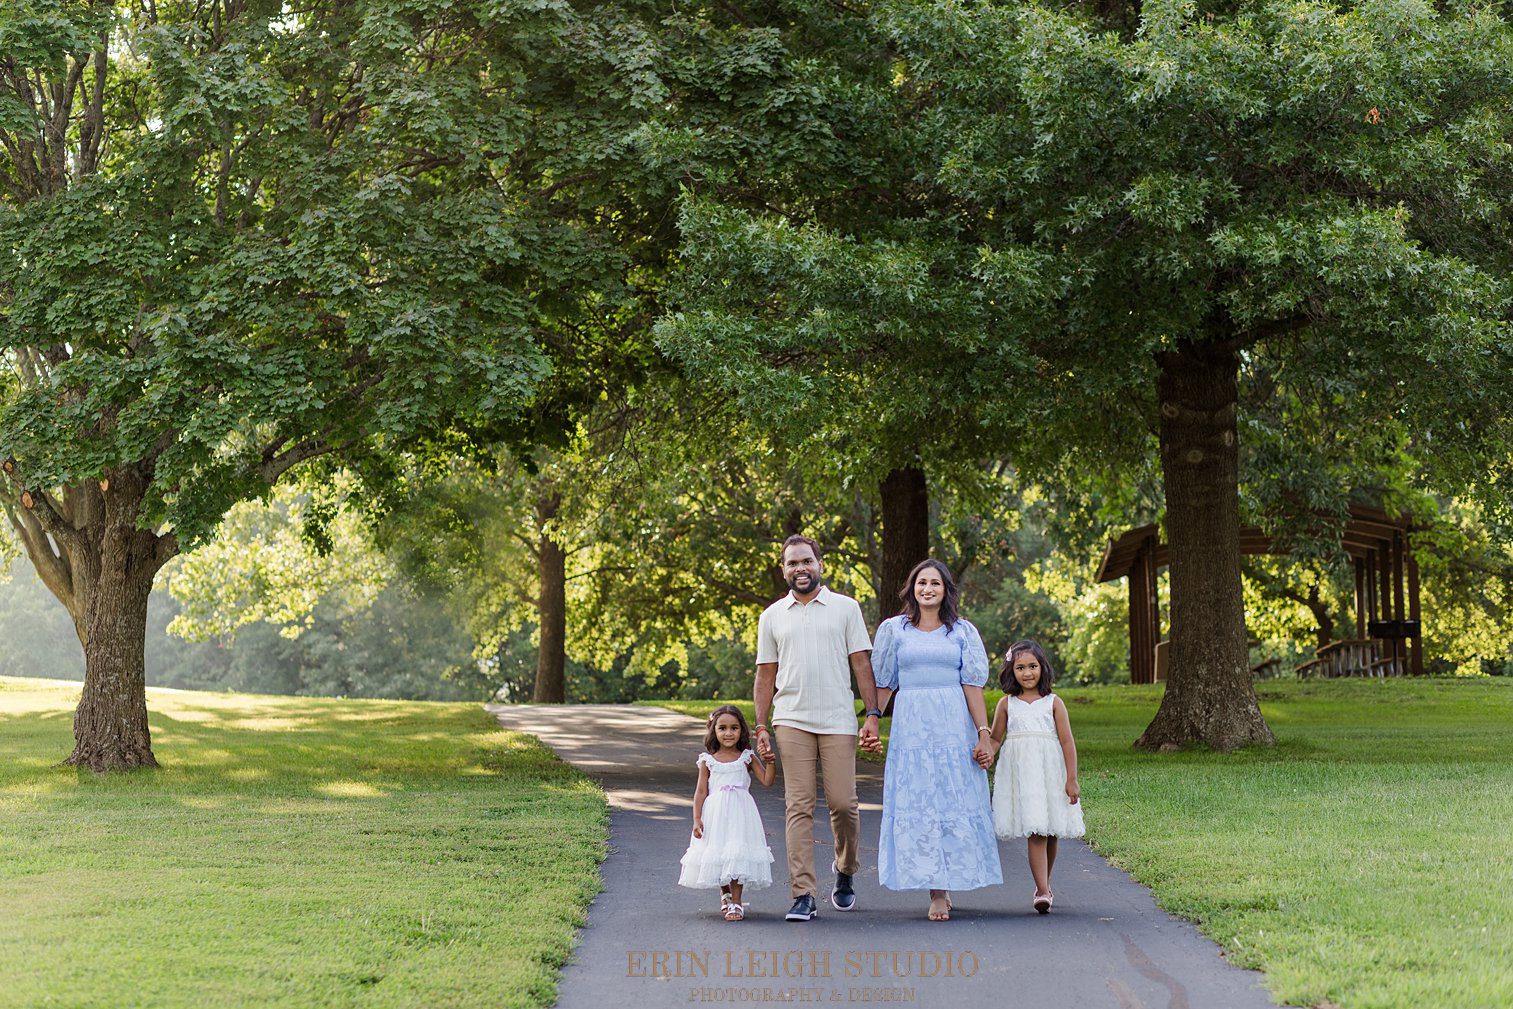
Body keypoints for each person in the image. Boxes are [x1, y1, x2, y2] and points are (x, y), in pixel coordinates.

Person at [754, 534, 882, 922]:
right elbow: (765, 674)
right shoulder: (772, 616)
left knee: (844, 804)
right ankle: (803, 894)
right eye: (792, 563)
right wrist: (760, 726)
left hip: (838, 719)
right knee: (799, 805)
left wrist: (872, 714)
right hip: (790, 717)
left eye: (806, 561)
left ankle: (845, 870)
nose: (800, 568)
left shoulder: (845, 608)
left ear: (820, 564)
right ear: (784, 570)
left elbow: (861, 664)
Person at [872, 559, 1002, 921]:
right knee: (921, 799)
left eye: (935, 583)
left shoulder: (961, 631)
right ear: (912, 588)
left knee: (950, 798)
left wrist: (983, 734)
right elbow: (885, 683)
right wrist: (871, 721)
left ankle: (945, 882)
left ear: (946, 591)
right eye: (921, 582)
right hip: (911, 727)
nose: (927, 588)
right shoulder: (894, 630)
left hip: (952, 725)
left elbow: (972, 686)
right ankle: (936, 891)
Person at [986, 638, 1084, 913]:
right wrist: (986, 752)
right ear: (1011, 671)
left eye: (1032, 666)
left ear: (1043, 667)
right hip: (1022, 775)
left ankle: (1046, 883)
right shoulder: (1007, 704)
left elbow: (1067, 742)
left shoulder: (1054, 703)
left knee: (1051, 830)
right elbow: (996, 738)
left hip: (1050, 771)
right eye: (1020, 668)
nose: (1027, 673)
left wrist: (1071, 778)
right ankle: (1042, 890)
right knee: (1037, 830)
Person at [679, 706, 776, 920]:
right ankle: (724, 893)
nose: (728, 733)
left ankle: (737, 902)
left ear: (742, 730)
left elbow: (767, 781)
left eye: (734, 728)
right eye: (722, 728)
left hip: (741, 812)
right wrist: (697, 819)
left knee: (737, 853)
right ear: (714, 731)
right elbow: (701, 792)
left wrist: (770, 762)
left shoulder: (747, 757)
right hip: (715, 813)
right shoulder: (707, 760)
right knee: (719, 852)